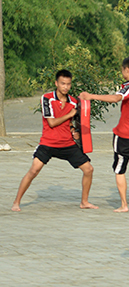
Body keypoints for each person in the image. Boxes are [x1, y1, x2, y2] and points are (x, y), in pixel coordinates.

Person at [12, 70, 97, 212]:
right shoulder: (46, 98)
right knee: (33, 171)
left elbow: (71, 122)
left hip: (67, 144)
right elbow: (51, 122)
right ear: (56, 83)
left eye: (68, 84)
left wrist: (74, 131)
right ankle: (16, 202)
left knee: (89, 169)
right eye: (63, 83)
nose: (65, 87)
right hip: (48, 143)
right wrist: (69, 114)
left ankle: (84, 202)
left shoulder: (74, 101)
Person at [80, 56, 129, 213]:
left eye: (122, 69)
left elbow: (116, 98)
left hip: (124, 134)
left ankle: (124, 205)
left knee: (119, 169)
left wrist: (91, 96)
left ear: (127, 70)